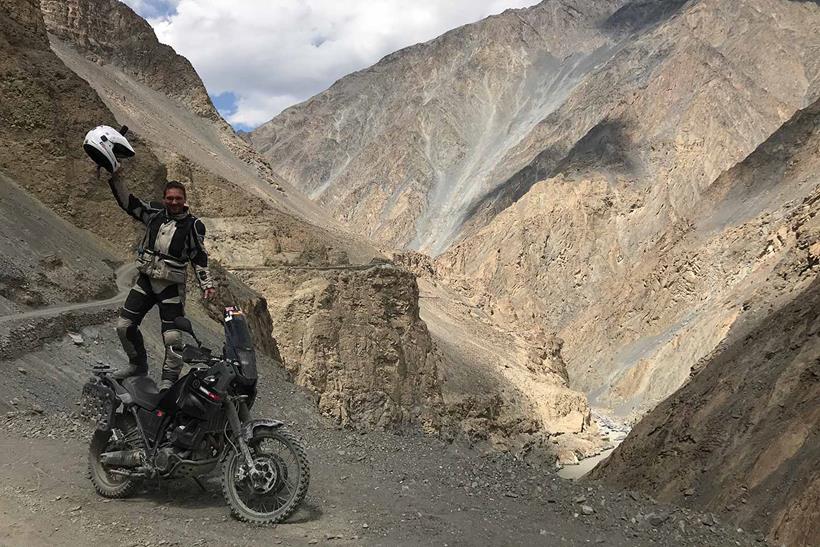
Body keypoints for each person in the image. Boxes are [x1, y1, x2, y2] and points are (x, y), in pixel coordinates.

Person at [108, 171, 215, 389]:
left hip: (171, 286)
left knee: (173, 339)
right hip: (146, 280)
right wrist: (116, 176)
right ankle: (137, 365)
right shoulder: (154, 213)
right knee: (124, 326)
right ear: (164, 198)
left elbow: (199, 256)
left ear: (185, 200)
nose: (174, 202)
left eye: (178, 198)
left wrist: (207, 284)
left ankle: (168, 384)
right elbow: (129, 203)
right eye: (170, 198)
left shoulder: (194, 226)